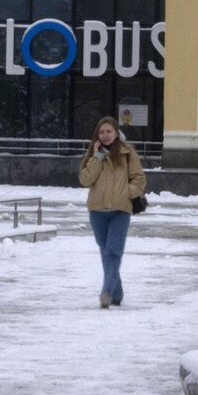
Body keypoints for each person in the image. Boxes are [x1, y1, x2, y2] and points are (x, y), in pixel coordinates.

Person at [79, 116, 145, 309]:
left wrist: (126, 193)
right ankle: (117, 292)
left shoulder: (127, 152)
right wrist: (97, 157)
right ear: (97, 135)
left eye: (109, 131)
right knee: (105, 252)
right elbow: (84, 179)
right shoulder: (93, 152)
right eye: (101, 132)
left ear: (116, 133)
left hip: (120, 210)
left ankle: (106, 292)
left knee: (114, 251)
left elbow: (139, 179)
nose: (105, 135)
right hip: (97, 210)